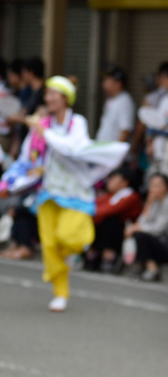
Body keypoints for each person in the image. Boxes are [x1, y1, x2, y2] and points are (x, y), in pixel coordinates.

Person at [4, 76, 128, 312]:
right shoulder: (42, 123)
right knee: (49, 244)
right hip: (48, 192)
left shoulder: (76, 123)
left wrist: (43, 131)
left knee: (72, 238)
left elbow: (72, 147)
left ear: (65, 98)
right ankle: (60, 292)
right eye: (47, 93)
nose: (48, 97)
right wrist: (9, 183)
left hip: (76, 192)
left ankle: (68, 259)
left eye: (53, 93)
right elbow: (26, 157)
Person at [124, 173, 168, 281]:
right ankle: (148, 267)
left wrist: (137, 228)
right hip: (161, 240)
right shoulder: (155, 201)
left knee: (140, 235)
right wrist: (149, 203)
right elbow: (143, 221)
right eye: (151, 185)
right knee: (138, 233)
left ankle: (151, 269)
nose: (152, 188)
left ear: (166, 187)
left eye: (157, 185)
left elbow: (159, 228)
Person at [85, 166, 142, 273]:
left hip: (124, 233)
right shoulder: (111, 196)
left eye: (114, 178)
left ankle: (109, 256)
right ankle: (92, 254)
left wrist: (88, 211)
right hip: (107, 230)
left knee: (110, 221)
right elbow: (93, 206)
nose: (110, 181)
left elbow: (109, 210)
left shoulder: (132, 196)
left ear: (125, 182)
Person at [96, 66, 135, 143]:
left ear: (118, 84)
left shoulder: (125, 101)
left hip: (113, 151)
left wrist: (116, 150)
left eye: (107, 80)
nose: (104, 83)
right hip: (105, 148)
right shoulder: (112, 99)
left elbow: (125, 129)